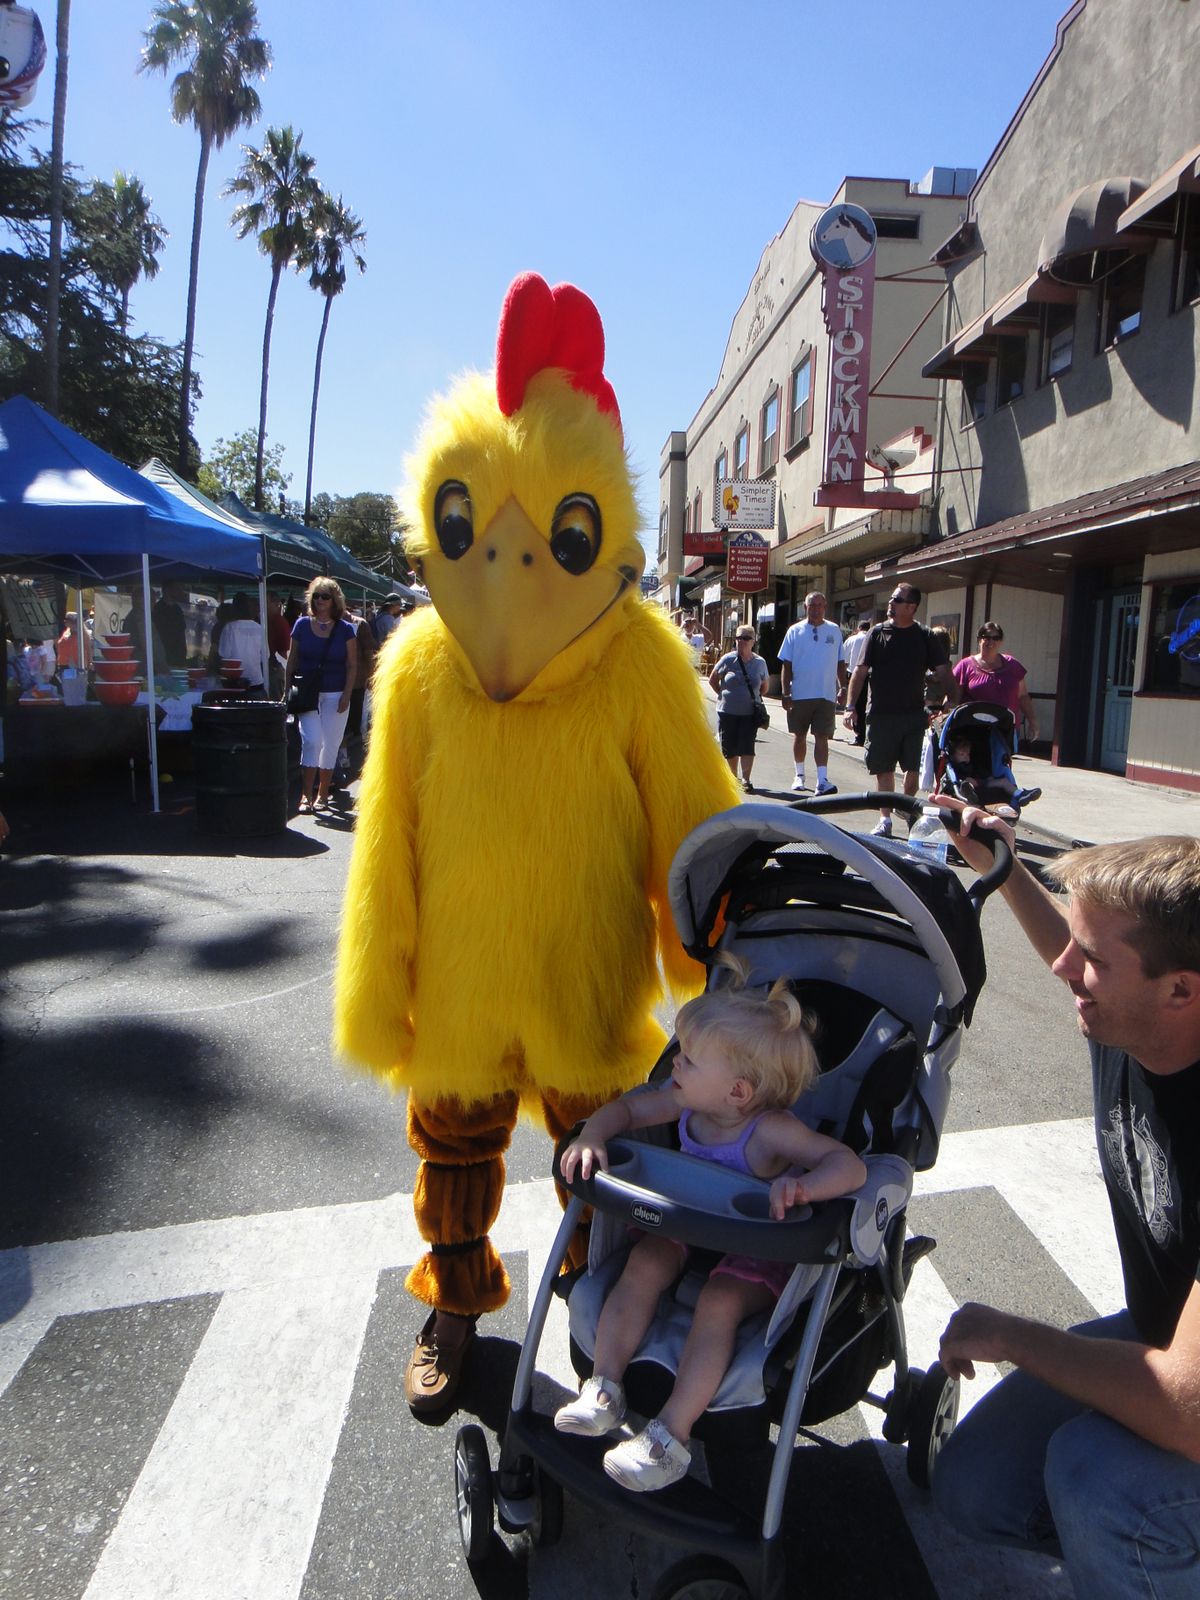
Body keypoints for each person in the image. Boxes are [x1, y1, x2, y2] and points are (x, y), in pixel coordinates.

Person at [933, 816, 1200, 1600]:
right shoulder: (1142, 1020)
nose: (1063, 968)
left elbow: (1185, 1408)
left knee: (1098, 1484)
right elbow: (1082, 953)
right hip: (1165, 1340)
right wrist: (1005, 868)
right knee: (975, 1488)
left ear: (1181, 990)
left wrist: (1017, 1336)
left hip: (1190, 1390)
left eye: (1091, 961)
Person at [553, 957, 867, 1493]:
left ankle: (670, 1436)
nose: (674, 1063)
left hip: (753, 1246)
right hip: (692, 1225)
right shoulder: (684, 1104)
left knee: (719, 1302)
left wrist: (805, 1188)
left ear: (738, 1092)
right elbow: (624, 1112)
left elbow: (850, 1165)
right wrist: (591, 1137)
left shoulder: (772, 1132)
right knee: (645, 1261)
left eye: (689, 1059)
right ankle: (603, 1387)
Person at [843, 583, 958, 838]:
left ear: (911, 607)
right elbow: (860, 673)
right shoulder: (877, 634)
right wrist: (850, 707)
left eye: (896, 600)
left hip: (913, 715)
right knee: (883, 769)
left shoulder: (925, 636)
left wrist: (952, 697)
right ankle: (885, 819)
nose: (890, 604)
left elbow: (943, 671)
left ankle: (905, 806)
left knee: (912, 770)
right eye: (891, 599)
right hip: (881, 714)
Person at [284, 577, 357, 814]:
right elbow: (292, 658)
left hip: (336, 694)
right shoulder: (302, 625)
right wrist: (287, 689)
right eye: (316, 595)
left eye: (325, 596)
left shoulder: (346, 629)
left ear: (334, 600)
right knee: (312, 740)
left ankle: (322, 794)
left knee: (330, 744)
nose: (320, 600)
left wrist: (347, 694)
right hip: (308, 694)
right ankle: (305, 794)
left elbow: (352, 665)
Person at [777, 591, 847, 794]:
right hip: (800, 694)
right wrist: (785, 691)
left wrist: (842, 687)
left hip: (825, 694)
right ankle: (799, 776)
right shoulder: (794, 631)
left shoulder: (834, 631)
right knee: (799, 736)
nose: (816, 609)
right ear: (805, 608)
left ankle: (822, 780)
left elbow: (840, 662)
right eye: (812, 605)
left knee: (822, 736)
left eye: (819, 605)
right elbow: (786, 664)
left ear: (825, 607)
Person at [952, 621, 1040, 745]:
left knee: (1001, 762)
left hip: (1005, 728)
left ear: (1001, 641)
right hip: (973, 729)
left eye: (995, 638)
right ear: (979, 639)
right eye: (986, 637)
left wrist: (1032, 720)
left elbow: (1023, 696)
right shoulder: (965, 665)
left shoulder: (1013, 665)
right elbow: (954, 696)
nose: (991, 642)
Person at [709, 625, 769, 791]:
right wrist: (724, 695)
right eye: (739, 638)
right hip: (727, 711)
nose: (741, 641)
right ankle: (732, 777)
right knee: (729, 746)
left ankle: (746, 780)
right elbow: (713, 680)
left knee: (747, 746)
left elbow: (764, 687)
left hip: (749, 713)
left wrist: (753, 698)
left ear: (753, 641)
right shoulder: (728, 659)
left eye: (746, 638)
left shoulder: (759, 663)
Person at [217, 592, 265, 689]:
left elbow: (224, 654)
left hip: (235, 681)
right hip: (256, 680)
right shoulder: (259, 628)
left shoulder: (229, 628)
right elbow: (265, 655)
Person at [842, 616, 873, 748]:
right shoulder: (872, 637)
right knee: (867, 704)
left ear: (858, 628)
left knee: (856, 705)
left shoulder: (852, 639)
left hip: (855, 674)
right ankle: (866, 733)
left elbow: (843, 659)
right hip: (871, 675)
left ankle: (859, 735)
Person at [153, 580, 190, 668]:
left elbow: (181, 635)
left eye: (182, 589)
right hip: (164, 661)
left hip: (179, 660)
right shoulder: (157, 610)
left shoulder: (177, 609)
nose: (181, 591)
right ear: (167, 590)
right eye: (178, 588)